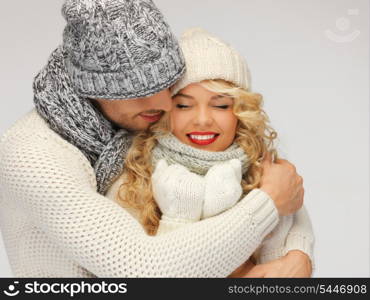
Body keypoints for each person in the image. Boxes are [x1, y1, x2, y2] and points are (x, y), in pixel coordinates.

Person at [0, 0, 307, 277]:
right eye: (140, 92)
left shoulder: (134, 120)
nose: (162, 105)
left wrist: (297, 251)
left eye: (168, 85)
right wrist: (267, 204)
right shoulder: (31, 155)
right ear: (96, 90)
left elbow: (278, 183)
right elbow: (145, 269)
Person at [107, 28, 315, 277]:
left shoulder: (267, 173)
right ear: (163, 110)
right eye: (183, 105)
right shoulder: (131, 183)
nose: (203, 120)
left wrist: (298, 256)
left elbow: (287, 260)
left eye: (220, 105)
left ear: (240, 111)